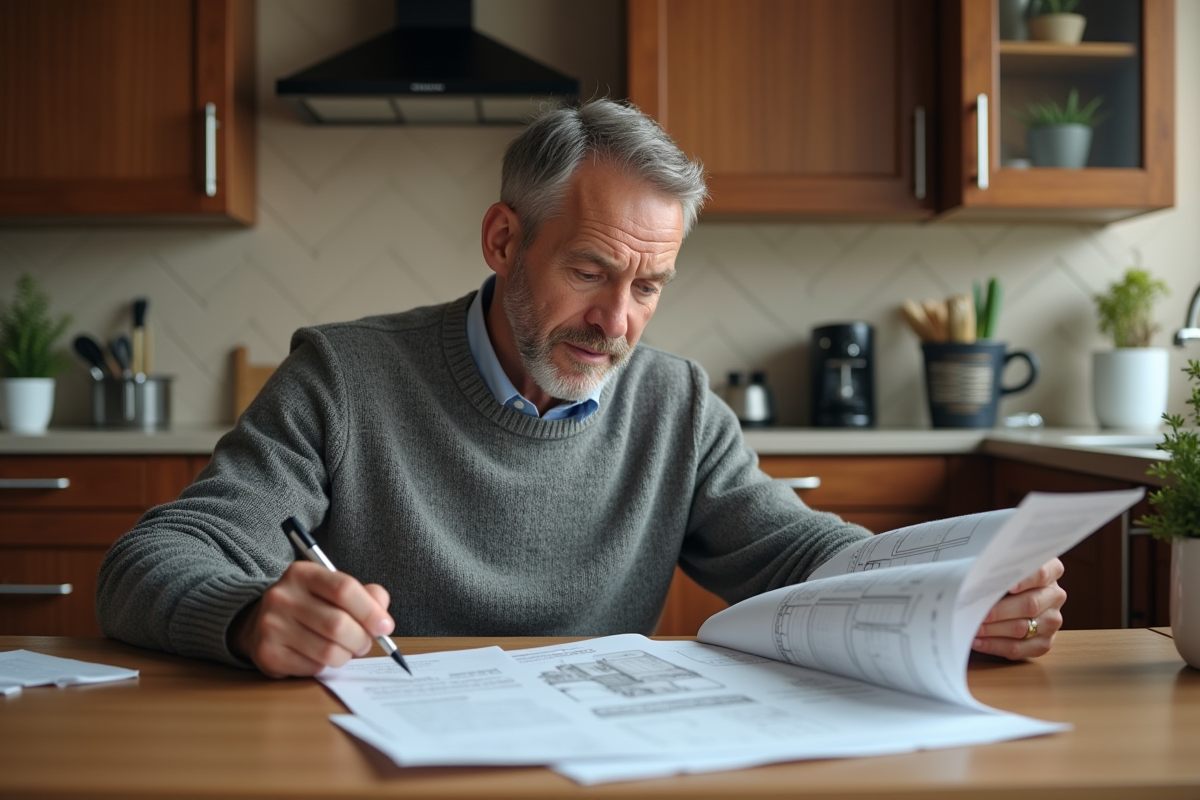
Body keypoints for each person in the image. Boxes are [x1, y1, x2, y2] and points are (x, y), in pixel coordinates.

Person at [96, 100, 1066, 679]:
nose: (619, 322)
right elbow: (150, 558)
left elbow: (794, 547)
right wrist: (243, 612)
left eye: (649, 285)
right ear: (504, 241)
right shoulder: (342, 376)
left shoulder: (676, 403)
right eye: (592, 270)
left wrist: (942, 595)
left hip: (600, 754)